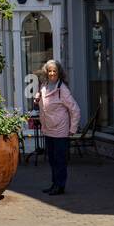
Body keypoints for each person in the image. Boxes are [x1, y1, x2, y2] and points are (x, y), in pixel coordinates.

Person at [34, 60, 81, 196]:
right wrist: (37, 98)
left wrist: (72, 129)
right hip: (48, 129)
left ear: (59, 72)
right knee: (52, 160)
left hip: (60, 131)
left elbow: (75, 110)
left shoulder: (63, 90)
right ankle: (54, 184)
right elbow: (41, 100)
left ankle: (60, 186)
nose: (52, 73)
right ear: (46, 73)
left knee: (60, 160)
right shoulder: (44, 86)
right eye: (49, 71)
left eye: (54, 71)